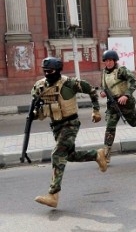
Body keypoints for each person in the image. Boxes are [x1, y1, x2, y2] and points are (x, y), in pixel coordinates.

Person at [32, 57, 107, 208]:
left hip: (70, 123)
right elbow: (36, 107)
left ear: (58, 71)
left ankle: (53, 195)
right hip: (56, 126)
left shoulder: (69, 83)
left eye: (51, 71)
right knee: (69, 156)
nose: (47, 74)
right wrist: (35, 113)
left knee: (57, 154)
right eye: (45, 71)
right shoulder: (39, 86)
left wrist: (96, 111)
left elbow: (91, 91)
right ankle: (96, 155)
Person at [99, 50, 136, 162]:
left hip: (125, 103)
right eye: (106, 61)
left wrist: (126, 95)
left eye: (110, 60)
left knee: (134, 123)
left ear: (114, 61)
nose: (108, 63)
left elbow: (134, 81)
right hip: (112, 104)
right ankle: (106, 154)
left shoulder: (121, 71)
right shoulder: (104, 73)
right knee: (110, 127)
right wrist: (103, 93)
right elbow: (104, 86)